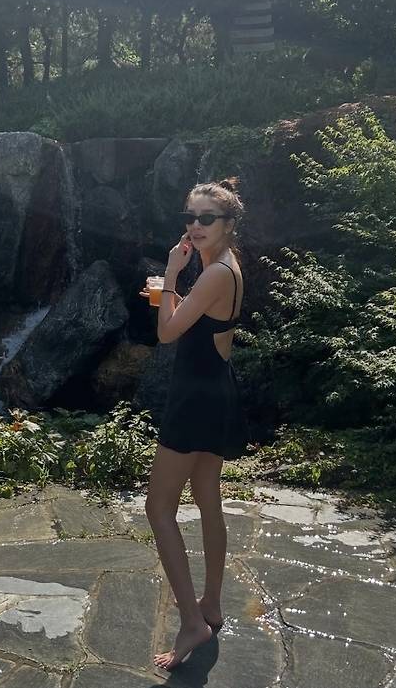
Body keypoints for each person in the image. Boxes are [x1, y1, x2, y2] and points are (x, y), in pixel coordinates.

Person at [139, 177, 249, 673]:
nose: (196, 225)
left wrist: (169, 275)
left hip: (194, 400)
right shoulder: (223, 265)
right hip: (215, 392)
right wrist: (173, 294)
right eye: (190, 217)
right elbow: (194, 320)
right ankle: (212, 605)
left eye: (207, 218)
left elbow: (167, 334)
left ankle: (191, 622)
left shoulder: (215, 271)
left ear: (228, 223)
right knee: (207, 499)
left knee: (158, 507)